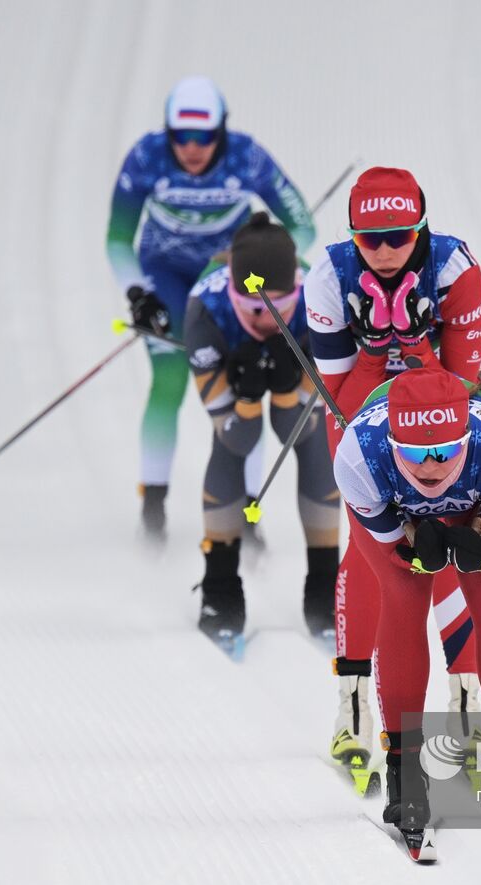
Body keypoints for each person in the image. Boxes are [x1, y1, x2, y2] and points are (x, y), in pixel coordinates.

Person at [303, 167, 481, 773]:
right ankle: (353, 705)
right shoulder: (329, 276)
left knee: (456, 537)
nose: (383, 251)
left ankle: (466, 699)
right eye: (370, 238)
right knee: (372, 551)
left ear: (422, 228)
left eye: (399, 236)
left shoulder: (454, 269)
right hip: (362, 412)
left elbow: (461, 387)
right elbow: (340, 399)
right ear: (353, 236)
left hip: (438, 411)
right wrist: (384, 350)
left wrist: (416, 346)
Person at [332, 365, 481, 834]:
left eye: (444, 450)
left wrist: (479, 538)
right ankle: (405, 775)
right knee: (403, 595)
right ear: (392, 446)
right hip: (395, 507)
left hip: (478, 500)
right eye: (414, 454)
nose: (430, 467)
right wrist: (414, 538)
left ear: (467, 437)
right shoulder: (357, 457)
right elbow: (394, 545)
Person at [106, 75, 315, 542]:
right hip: (166, 276)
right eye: (181, 136)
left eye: (204, 137)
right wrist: (139, 295)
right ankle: (153, 506)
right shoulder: (145, 157)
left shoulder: (246, 156)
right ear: (168, 132)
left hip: (231, 280)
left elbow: (302, 224)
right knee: (170, 378)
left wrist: (280, 260)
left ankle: (247, 509)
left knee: (247, 383)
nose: (192, 148)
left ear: (222, 131)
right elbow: (118, 239)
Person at [182, 214, 337, 652]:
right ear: (233, 293)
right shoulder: (205, 313)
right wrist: (248, 398)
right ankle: (221, 590)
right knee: (227, 453)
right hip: (227, 350)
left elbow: (297, 430)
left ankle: (326, 590)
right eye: (253, 306)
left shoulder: (320, 306)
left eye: (278, 305)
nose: (267, 318)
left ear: (296, 294)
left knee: (316, 445)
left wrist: (288, 392)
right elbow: (236, 436)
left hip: (303, 350)